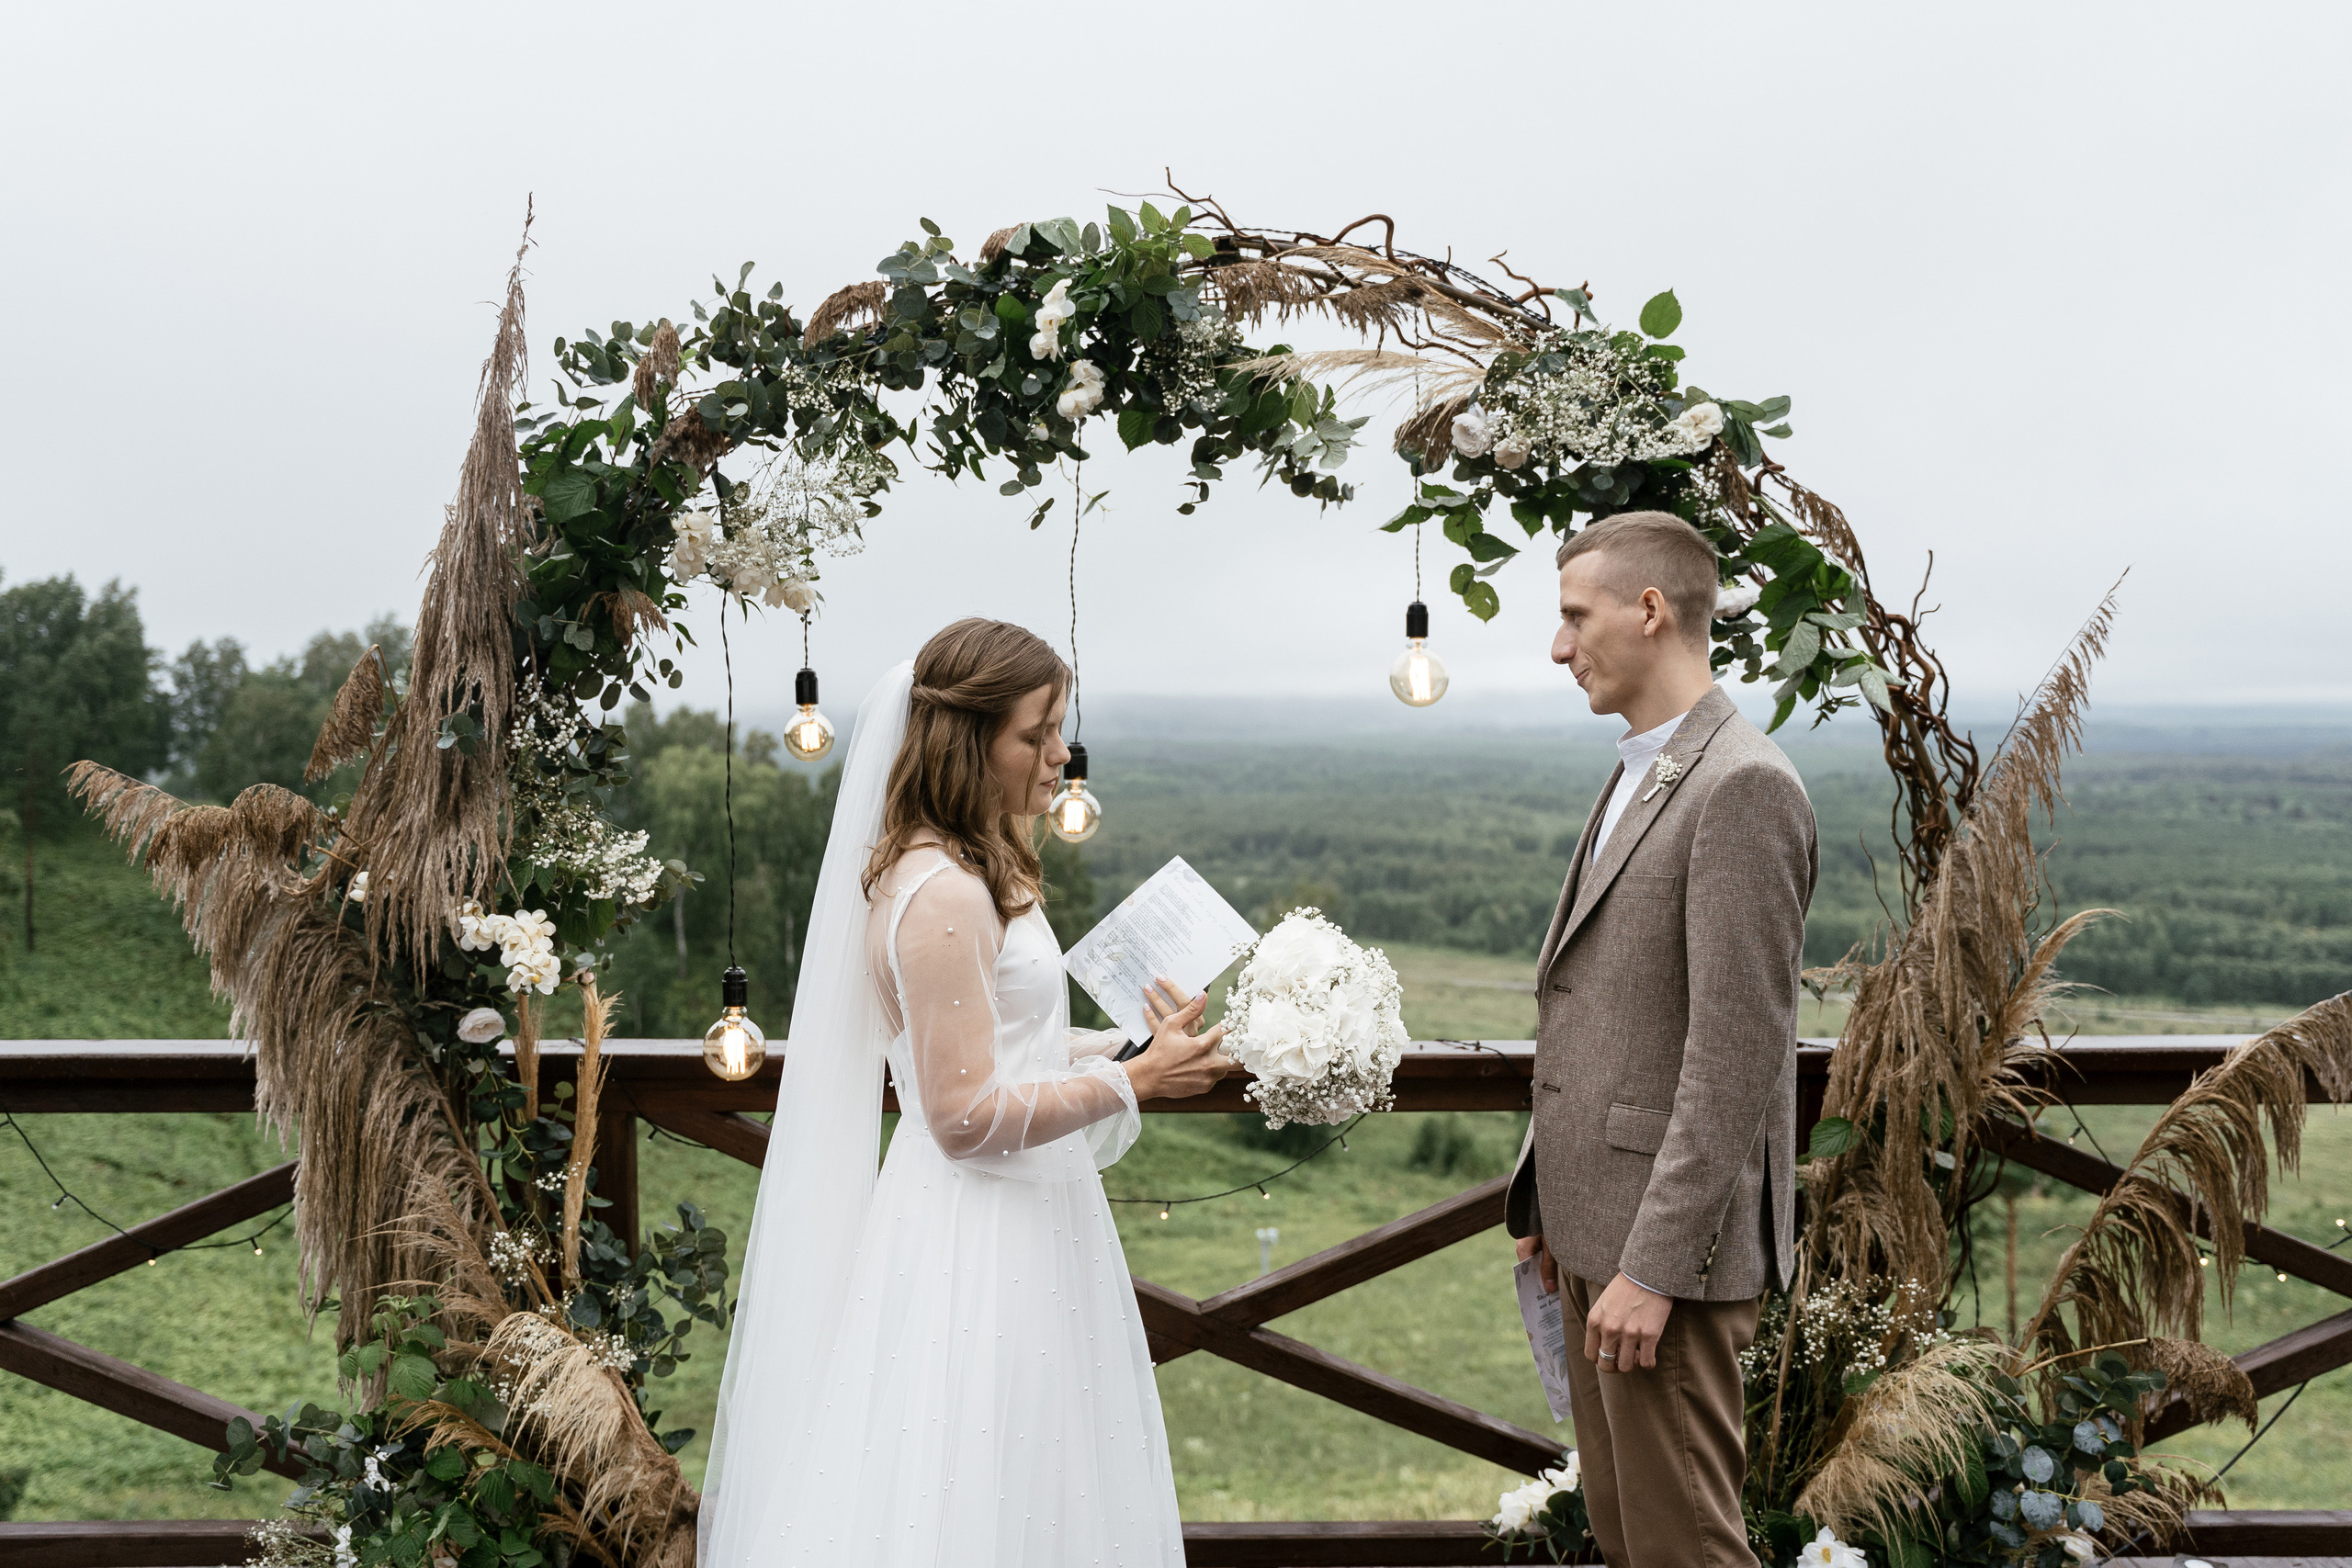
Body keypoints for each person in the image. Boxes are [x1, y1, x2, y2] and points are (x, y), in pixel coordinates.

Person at [696, 618, 1233, 1568]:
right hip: (975, 1233)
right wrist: (1131, 1081)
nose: (1060, 753)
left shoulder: (967, 865)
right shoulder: (940, 892)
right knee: (974, 1483)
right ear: (966, 740)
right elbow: (962, 1115)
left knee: (1038, 1482)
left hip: (1022, 1218)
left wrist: (1127, 1041)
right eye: (1037, 733)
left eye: (1058, 727)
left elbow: (999, 1037)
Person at [1505, 513, 1817, 1568]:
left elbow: (1738, 1053)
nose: (1558, 648)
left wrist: (1654, 1267)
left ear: (1648, 610)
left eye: (1571, 617)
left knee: (1687, 1549)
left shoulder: (1743, 785)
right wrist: (1546, 1196)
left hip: (1661, 1262)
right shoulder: (1642, 767)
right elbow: (1599, 1004)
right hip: (1595, 1229)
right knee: (1631, 1540)